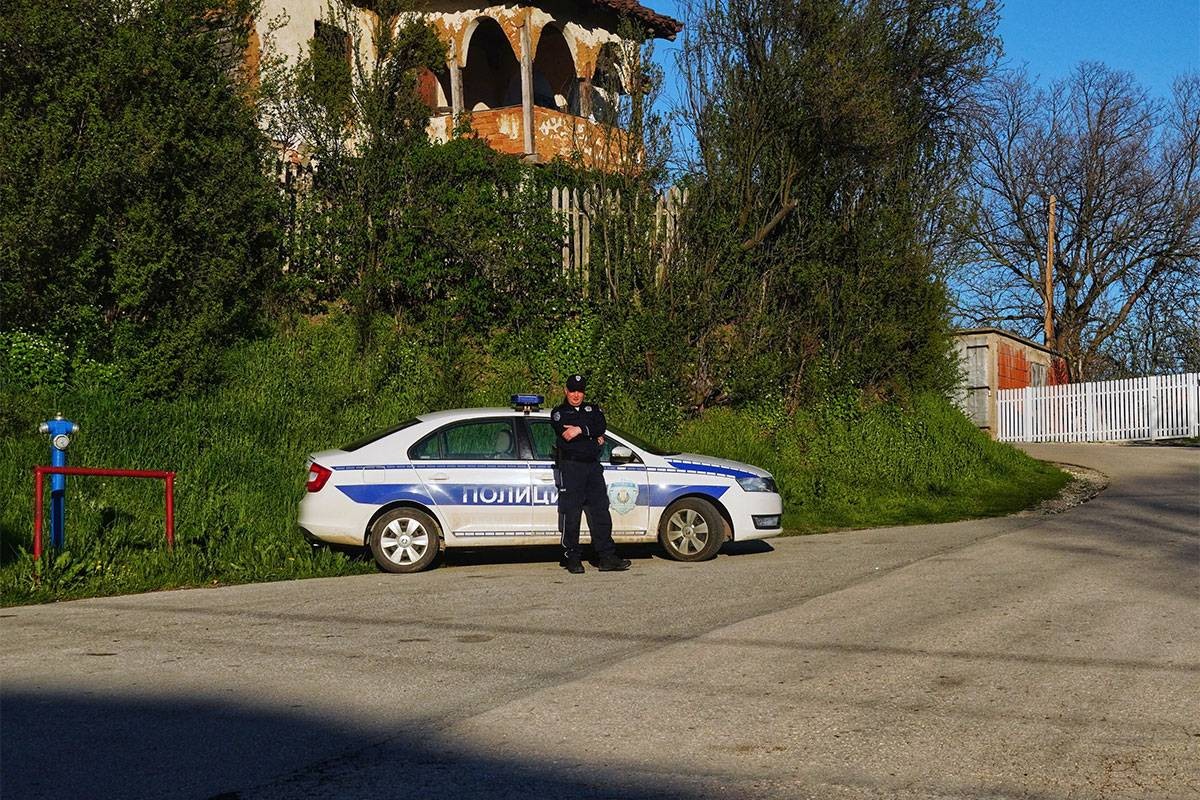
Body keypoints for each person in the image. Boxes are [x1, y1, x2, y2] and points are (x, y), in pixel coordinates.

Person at [550, 374, 631, 574]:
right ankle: (572, 558)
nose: (576, 395)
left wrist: (580, 429)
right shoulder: (559, 413)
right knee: (572, 513)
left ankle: (607, 557)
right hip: (572, 467)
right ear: (565, 390)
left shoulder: (593, 409)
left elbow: (600, 426)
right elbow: (567, 435)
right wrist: (591, 434)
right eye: (572, 390)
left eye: (580, 391)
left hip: (593, 468)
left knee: (601, 511)